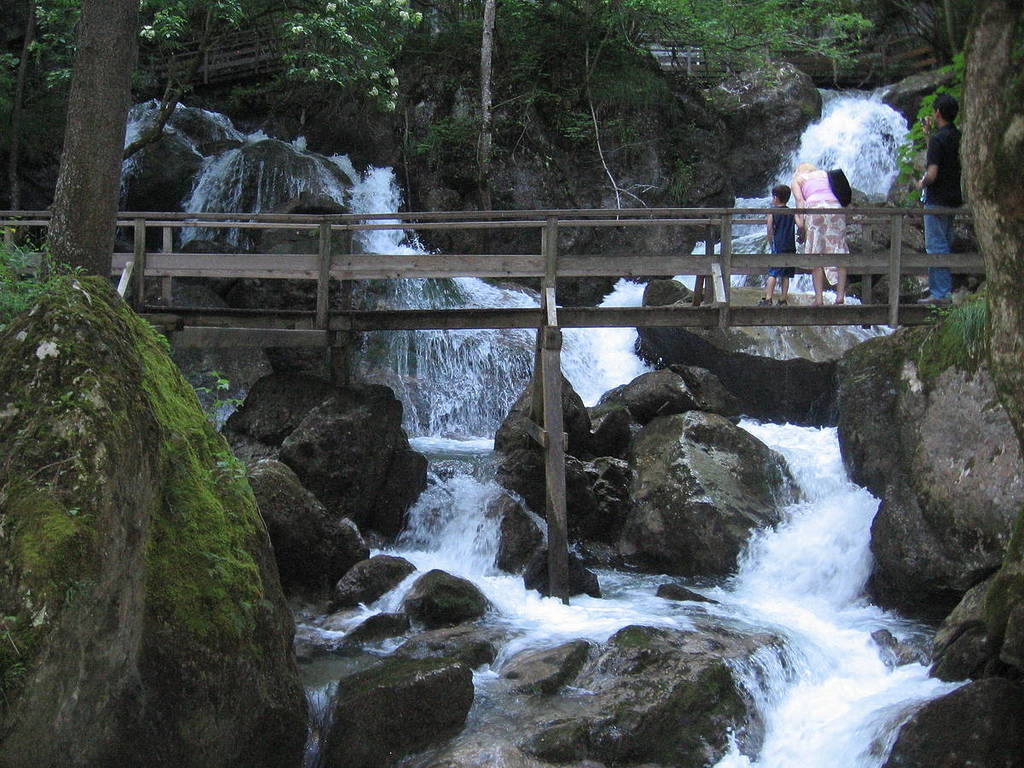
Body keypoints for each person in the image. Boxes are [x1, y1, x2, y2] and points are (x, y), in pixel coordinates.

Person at [915, 92, 962, 304]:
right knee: (945, 243)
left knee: (935, 247)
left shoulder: (938, 140)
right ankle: (943, 291)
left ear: (937, 113)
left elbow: (932, 173)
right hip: (953, 198)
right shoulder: (958, 136)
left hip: (936, 201)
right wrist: (928, 135)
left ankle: (940, 294)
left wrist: (921, 182)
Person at [791, 162, 848, 305]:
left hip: (815, 209)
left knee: (815, 254)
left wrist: (800, 222)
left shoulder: (798, 179)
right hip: (836, 208)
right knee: (839, 249)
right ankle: (840, 296)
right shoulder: (825, 174)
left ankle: (819, 299)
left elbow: (800, 200)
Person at [760, 184, 796, 306]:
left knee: (773, 272)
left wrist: (770, 241)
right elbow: (800, 225)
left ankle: (768, 298)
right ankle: (783, 299)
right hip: (790, 245)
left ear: (775, 198)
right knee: (786, 274)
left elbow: (769, 228)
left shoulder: (773, 212)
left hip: (778, 245)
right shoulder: (792, 212)